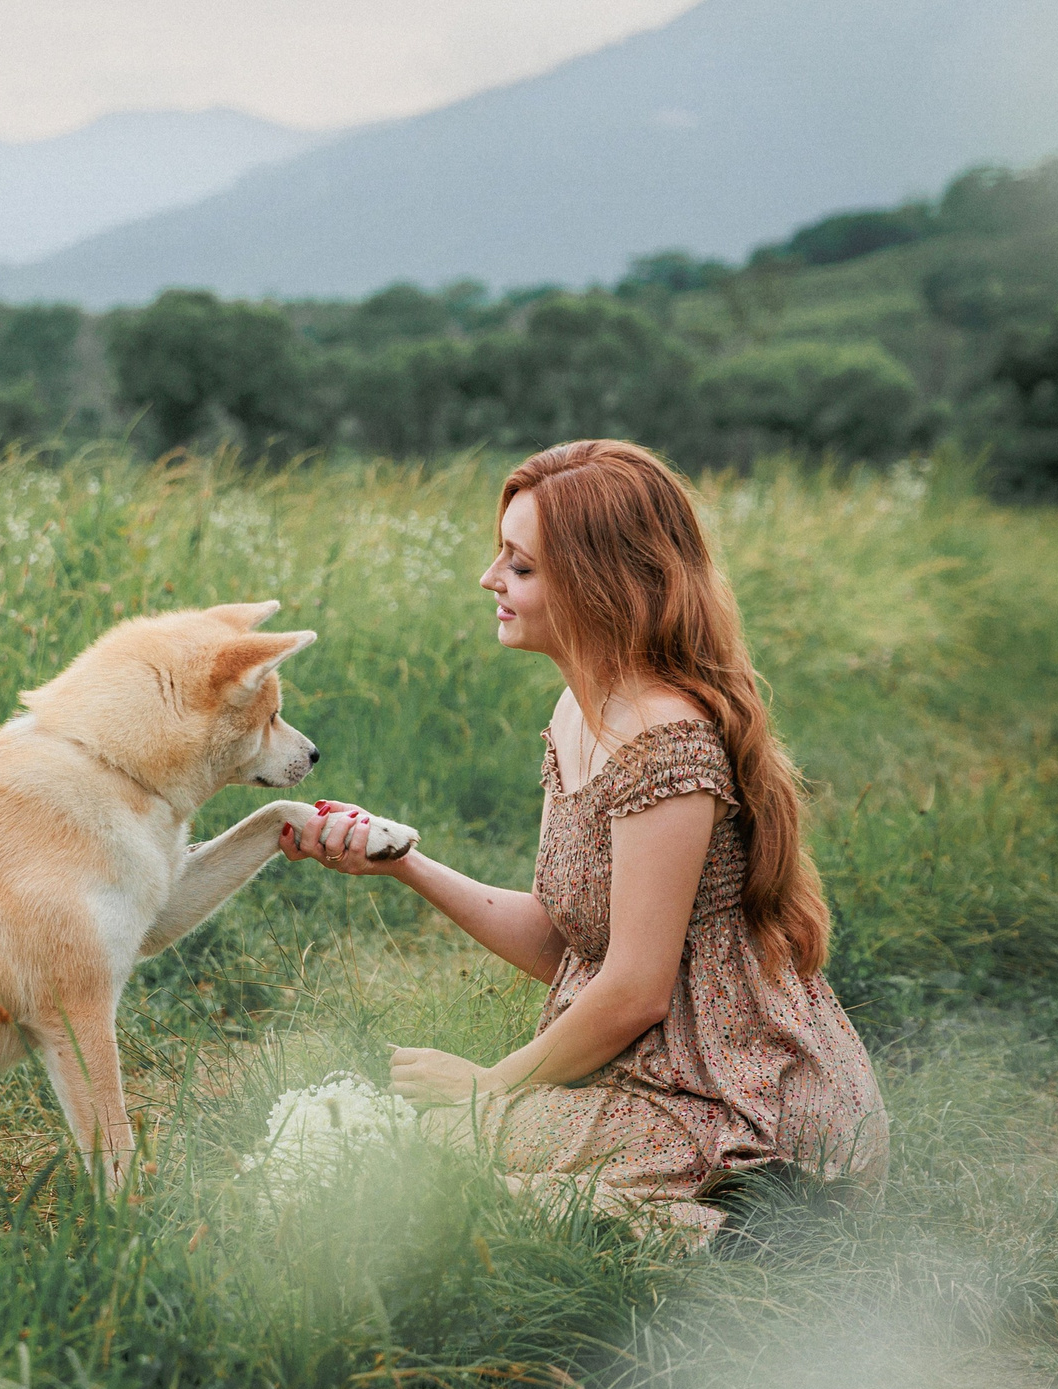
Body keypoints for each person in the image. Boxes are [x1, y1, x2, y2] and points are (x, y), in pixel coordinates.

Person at [283, 440, 886, 1245]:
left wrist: (486, 1088)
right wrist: (405, 864)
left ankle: (753, 1227)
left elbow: (634, 988)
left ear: (601, 587)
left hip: (740, 1105)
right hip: (663, 1066)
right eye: (502, 556)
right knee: (408, 1153)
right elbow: (573, 946)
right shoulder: (581, 713)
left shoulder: (664, 739)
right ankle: (683, 1229)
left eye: (521, 567)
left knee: (424, 1154)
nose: (490, 580)